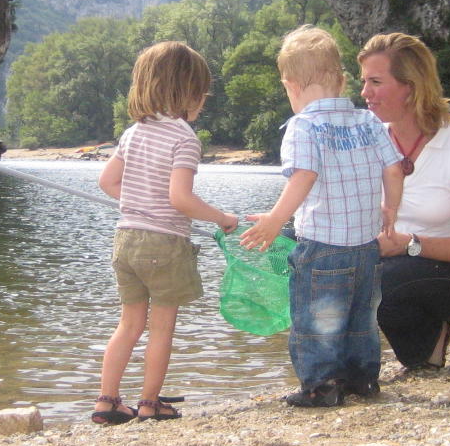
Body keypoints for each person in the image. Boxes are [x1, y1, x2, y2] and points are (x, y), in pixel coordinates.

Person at [241, 26, 404, 407]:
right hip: (366, 246)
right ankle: (363, 380)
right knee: (362, 316)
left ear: (291, 85)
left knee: (318, 320)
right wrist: (390, 209)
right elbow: (395, 170)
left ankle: (322, 386)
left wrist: (274, 220)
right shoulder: (368, 122)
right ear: (342, 80)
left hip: (323, 246)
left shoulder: (303, 126)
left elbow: (304, 176)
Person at [91, 41, 238, 424]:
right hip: (165, 244)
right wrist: (222, 217)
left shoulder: (133, 133)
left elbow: (107, 182)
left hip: (126, 241)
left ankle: (107, 401)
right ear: (189, 93)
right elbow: (181, 199)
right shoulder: (184, 138)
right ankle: (149, 402)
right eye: (202, 92)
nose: (203, 101)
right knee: (161, 328)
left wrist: (139, 202)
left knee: (129, 324)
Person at [357, 32, 450, 372]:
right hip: (387, 262)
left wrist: (408, 244)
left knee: (381, 282)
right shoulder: (365, 142)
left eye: (375, 82)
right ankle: (337, 373)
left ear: (411, 86)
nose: (365, 93)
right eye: (363, 82)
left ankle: (430, 341)